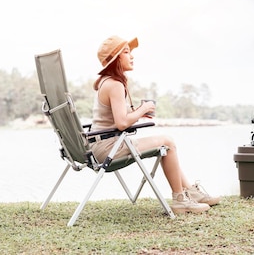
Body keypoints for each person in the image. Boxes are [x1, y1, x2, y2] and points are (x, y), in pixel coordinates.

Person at [89, 35, 220, 214]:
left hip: (103, 144)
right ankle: (180, 199)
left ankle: (190, 191)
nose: (132, 56)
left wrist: (137, 113)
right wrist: (143, 109)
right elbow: (121, 123)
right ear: (115, 59)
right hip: (110, 148)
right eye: (126, 52)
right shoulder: (115, 85)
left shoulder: (107, 82)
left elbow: (118, 119)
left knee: (166, 143)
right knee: (168, 142)